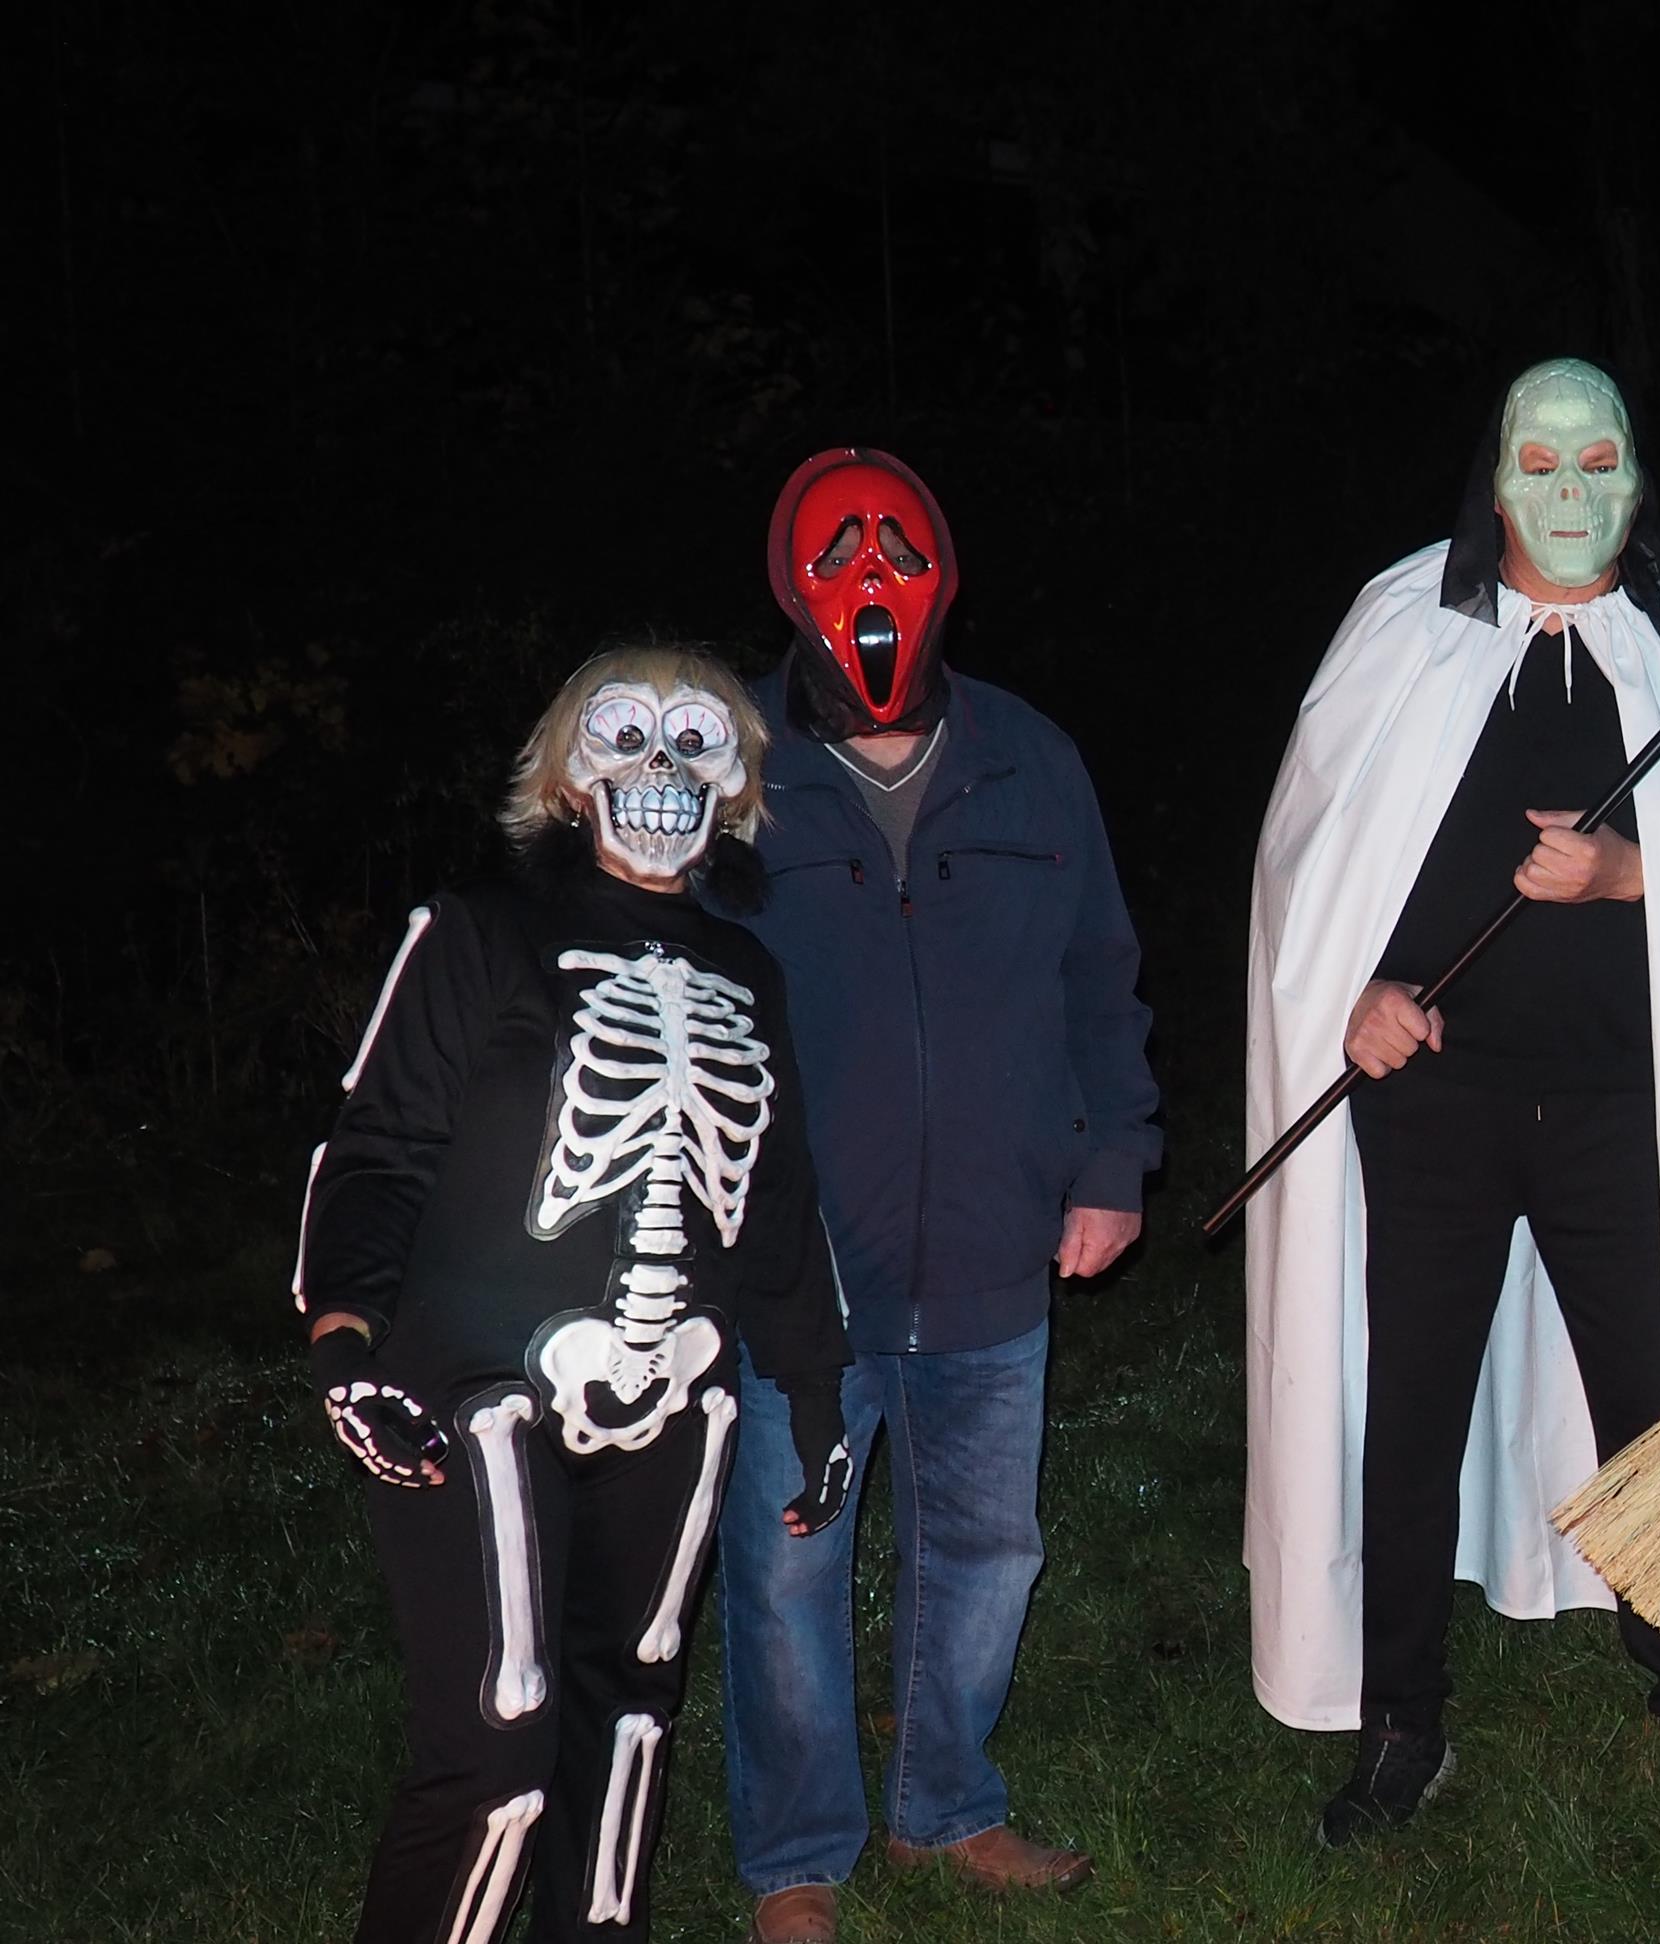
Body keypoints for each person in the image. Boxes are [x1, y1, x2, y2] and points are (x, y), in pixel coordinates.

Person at [1242, 357, 1660, 1854]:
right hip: (1436, 1106)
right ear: (1494, 480)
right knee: (1406, 1410)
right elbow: (1316, 864)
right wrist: (1358, 998)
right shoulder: (1407, 625)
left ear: (1637, 477)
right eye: (1542, 463)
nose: (1571, 493)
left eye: (1599, 462)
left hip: (1630, 1110)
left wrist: (1633, 873)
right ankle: (1401, 1718)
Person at [295, 644, 852, 1943]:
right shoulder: (478, 935)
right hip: (472, 1394)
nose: (661, 768)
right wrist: (344, 1333)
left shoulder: (749, 975)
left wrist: (815, 1387)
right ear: (562, 774)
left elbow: (776, 1203)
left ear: (739, 789)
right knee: (499, 1742)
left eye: (697, 742)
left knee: (631, 1713)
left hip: (679, 1394)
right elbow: (378, 1145)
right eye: (624, 736)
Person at [717, 448, 1162, 1944]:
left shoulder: (1030, 758)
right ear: (791, 586)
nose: (873, 576)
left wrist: (1111, 1162)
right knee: (789, 1564)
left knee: (985, 1550)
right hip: (799, 1263)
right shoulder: (723, 769)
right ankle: (796, 1854)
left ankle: (945, 1805)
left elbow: (1102, 975)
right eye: (837, 551)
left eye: (899, 549)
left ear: (946, 573)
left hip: (992, 1230)